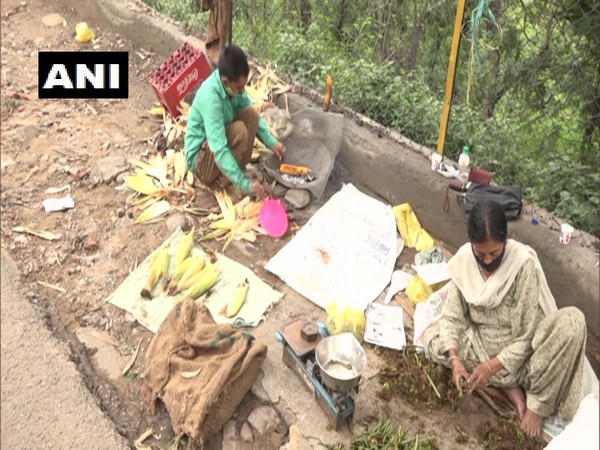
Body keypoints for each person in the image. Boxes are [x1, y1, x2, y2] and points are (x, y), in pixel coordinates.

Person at [423, 200, 587, 438]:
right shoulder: (464, 262)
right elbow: (452, 316)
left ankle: (537, 404)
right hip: (482, 346)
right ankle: (507, 385)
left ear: (506, 238)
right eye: (481, 254)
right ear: (469, 240)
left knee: (574, 322)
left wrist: (491, 367)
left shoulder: (522, 266)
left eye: (495, 253)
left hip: (524, 358)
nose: (488, 261)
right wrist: (456, 358)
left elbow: (527, 336)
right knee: (433, 339)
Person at [185, 44, 286, 198]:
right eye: (239, 88)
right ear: (225, 81)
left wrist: (272, 143)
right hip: (200, 161)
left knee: (251, 114)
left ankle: (236, 172)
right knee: (239, 130)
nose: (242, 91)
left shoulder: (233, 89)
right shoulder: (211, 99)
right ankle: (221, 182)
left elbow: (252, 114)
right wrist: (244, 184)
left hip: (214, 146)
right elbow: (219, 150)